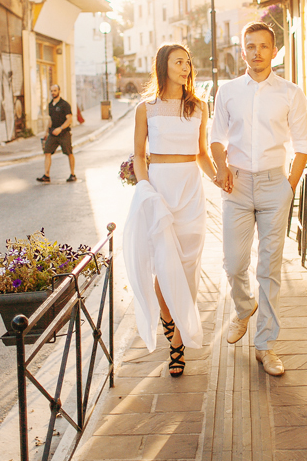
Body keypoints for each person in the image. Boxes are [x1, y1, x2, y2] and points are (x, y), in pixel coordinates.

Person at [210, 21, 307, 376]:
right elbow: (216, 139)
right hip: (236, 185)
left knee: (269, 268)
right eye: (250, 46)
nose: (256, 52)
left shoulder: (290, 92)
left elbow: (302, 145)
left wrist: (290, 184)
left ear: (273, 51)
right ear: (243, 52)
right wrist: (222, 167)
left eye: (263, 46)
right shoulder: (228, 91)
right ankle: (243, 309)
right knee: (234, 263)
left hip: (274, 184)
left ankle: (266, 345)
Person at [123, 44, 218, 377]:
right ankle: (168, 318)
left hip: (191, 189)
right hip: (160, 190)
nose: (186, 67)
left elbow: (202, 153)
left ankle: (177, 338)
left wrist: (218, 179)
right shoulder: (145, 109)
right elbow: (138, 155)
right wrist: (145, 187)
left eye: (189, 61)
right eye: (179, 61)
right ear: (163, 66)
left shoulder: (199, 107)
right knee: (164, 266)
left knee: (188, 266)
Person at [37, 84, 76, 183]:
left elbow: (69, 119)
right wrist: (46, 133)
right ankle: (46, 175)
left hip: (64, 133)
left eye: (55, 90)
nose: (53, 92)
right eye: (51, 91)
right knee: (47, 152)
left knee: (69, 153)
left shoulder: (65, 105)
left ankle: (72, 174)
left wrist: (61, 128)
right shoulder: (50, 105)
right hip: (52, 133)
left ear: (59, 91)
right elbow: (50, 119)